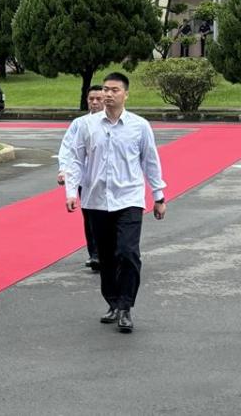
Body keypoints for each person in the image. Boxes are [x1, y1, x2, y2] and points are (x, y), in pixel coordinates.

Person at [64, 72, 167, 334]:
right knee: (106, 258)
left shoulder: (139, 126)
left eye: (115, 90)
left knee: (128, 253)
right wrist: (70, 192)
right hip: (96, 201)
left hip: (129, 199)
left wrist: (158, 196)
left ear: (126, 94)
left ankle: (125, 307)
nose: (108, 95)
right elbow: (75, 159)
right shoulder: (87, 126)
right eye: (106, 90)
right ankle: (112, 301)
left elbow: (150, 161)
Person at [56, 85, 105, 271]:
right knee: (91, 218)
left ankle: (112, 251)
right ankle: (95, 255)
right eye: (91, 99)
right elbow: (68, 148)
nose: (94, 102)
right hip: (86, 179)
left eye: (98, 99)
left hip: (108, 181)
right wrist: (64, 170)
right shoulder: (79, 124)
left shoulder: (114, 122)